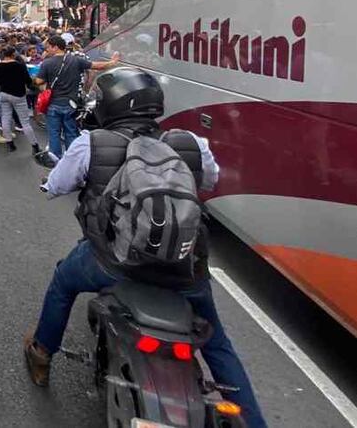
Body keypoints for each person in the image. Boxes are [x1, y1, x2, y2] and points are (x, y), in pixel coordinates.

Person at [24, 67, 266, 428]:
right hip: (184, 265)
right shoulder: (190, 142)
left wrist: (52, 184)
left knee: (63, 282)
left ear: (107, 105)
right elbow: (210, 181)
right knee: (217, 345)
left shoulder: (92, 143)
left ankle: (41, 354)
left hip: (111, 261)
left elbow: (58, 185)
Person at [34, 36, 119, 160]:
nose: (47, 50)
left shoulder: (47, 63)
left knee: (54, 134)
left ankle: (56, 160)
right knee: (71, 133)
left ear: (55, 47)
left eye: (48, 47)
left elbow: (39, 80)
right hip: (71, 104)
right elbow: (97, 66)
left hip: (53, 104)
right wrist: (112, 62)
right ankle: (72, 159)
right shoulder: (76, 60)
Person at [0, 46, 43, 156]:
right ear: (13, 54)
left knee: (5, 118)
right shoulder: (19, 66)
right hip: (18, 95)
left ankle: (10, 143)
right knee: (25, 122)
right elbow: (28, 80)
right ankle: (35, 146)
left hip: (4, 94)